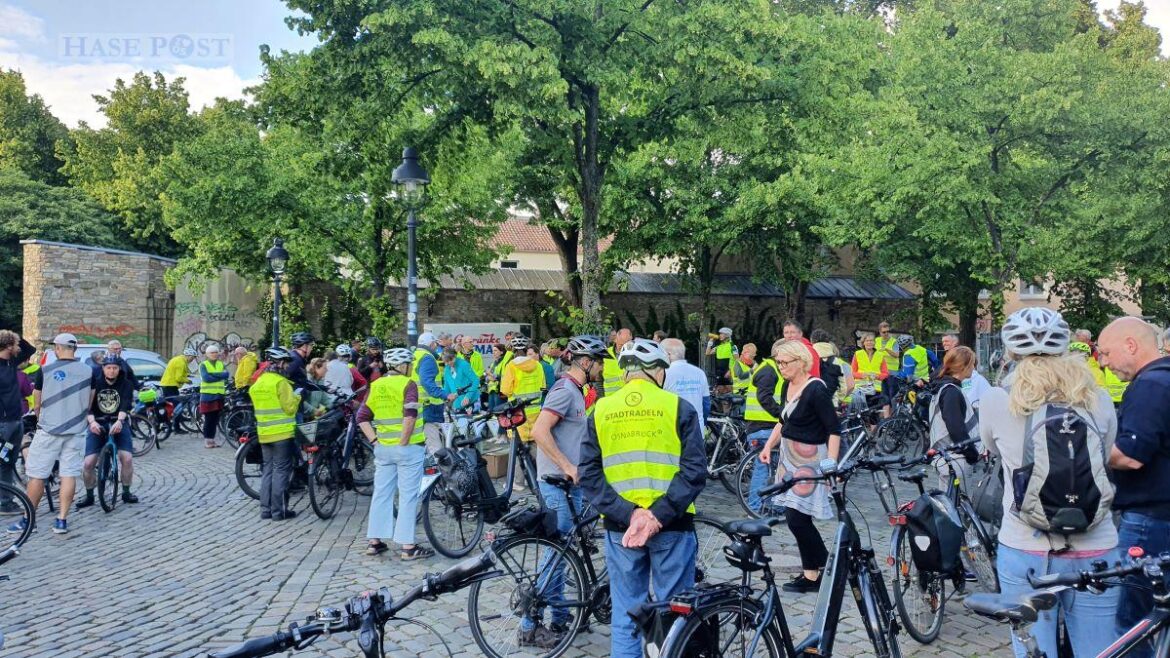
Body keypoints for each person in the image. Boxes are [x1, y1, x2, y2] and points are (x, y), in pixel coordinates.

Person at [981, 308, 1120, 657]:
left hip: (1025, 542)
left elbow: (992, 449)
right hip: (1096, 544)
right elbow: (1105, 455)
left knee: (1034, 651)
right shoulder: (1098, 399)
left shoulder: (997, 400)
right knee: (1099, 650)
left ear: (1011, 352)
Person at [579, 338, 706, 658]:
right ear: (658, 371)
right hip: (672, 524)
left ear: (626, 373)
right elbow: (694, 471)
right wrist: (655, 515)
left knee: (625, 614)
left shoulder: (601, 410)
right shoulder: (678, 407)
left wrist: (631, 513)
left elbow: (590, 476)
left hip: (621, 526)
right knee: (675, 615)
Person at [523, 335, 609, 648]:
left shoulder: (576, 391)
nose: (601, 368)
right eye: (599, 362)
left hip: (570, 485)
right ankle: (528, 625)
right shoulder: (563, 390)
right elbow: (539, 431)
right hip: (557, 484)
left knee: (563, 552)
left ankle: (558, 618)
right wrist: (567, 466)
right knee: (555, 556)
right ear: (586, 362)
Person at [1098, 316, 1170, 657]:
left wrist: (1090, 451)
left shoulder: (1151, 386)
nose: (1105, 362)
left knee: (1134, 625)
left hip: (1149, 521)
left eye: (1107, 353)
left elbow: (1130, 456)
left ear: (1131, 345)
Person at [758, 340, 841, 593]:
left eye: (785, 362)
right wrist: (768, 446)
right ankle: (812, 576)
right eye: (779, 362)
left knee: (796, 519)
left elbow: (834, 430)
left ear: (801, 361)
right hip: (789, 459)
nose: (781, 367)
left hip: (810, 461)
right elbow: (783, 420)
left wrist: (830, 466)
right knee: (797, 518)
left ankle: (828, 567)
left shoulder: (816, 390)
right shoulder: (787, 385)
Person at [5, 334, 90, 535]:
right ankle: (61, 520)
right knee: (68, 474)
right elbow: (90, 399)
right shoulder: (88, 371)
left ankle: (29, 520)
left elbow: (37, 401)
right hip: (76, 430)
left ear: (58, 348)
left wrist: (43, 419)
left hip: (50, 429)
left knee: (37, 475)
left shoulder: (47, 370)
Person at [360, 347, 434, 560]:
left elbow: (362, 417)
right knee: (408, 496)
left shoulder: (376, 385)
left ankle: (375, 542)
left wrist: (374, 440)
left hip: (383, 448)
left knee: (381, 494)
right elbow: (410, 416)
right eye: (410, 365)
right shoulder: (407, 384)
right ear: (403, 366)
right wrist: (403, 442)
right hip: (408, 448)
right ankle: (408, 547)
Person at [77, 355, 140, 508]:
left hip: (119, 421)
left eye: (115, 368)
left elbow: (125, 403)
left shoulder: (126, 384)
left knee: (127, 459)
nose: (112, 371)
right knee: (88, 463)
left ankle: (126, 492)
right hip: (97, 423)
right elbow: (87, 406)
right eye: (108, 368)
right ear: (103, 369)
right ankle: (90, 495)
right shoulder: (95, 384)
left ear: (119, 369)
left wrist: (120, 421)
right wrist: (91, 422)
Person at [249, 347, 302, 520]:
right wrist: (297, 397)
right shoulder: (281, 383)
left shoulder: (258, 383)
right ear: (279, 363)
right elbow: (290, 408)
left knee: (268, 471)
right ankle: (279, 512)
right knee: (281, 472)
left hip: (264, 433)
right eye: (286, 363)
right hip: (282, 434)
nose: (287, 366)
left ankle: (266, 510)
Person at [744, 339, 785, 514]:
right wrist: (782, 415)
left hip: (763, 426)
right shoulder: (769, 370)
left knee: (767, 467)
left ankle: (765, 505)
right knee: (763, 467)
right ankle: (756, 506)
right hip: (763, 427)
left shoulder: (771, 368)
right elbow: (764, 397)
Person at [0, 330, 36, 514]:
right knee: (2, 461)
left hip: (16, 421)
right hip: (3, 425)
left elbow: (30, 348)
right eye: (14, 345)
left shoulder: (10, 362)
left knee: (8, 462)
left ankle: (6, 501)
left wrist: (11, 336)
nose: (18, 348)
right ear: (7, 347)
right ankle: (4, 502)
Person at [927, 347, 980, 462]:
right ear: (962, 366)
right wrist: (972, 454)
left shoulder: (945, 387)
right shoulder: (951, 391)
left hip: (948, 456)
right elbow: (956, 428)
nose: (973, 368)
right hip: (955, 458)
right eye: (972, 364)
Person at [500, 335, 545, 442]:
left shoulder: (511, 366)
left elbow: (506, 390)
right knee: (536, 446)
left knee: (519, 449)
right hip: (536, 411)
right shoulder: (538, 365)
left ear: (513, 350)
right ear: (527, 350)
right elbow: (543, 387)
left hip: (518, 413)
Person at [661, 338, 710, 428]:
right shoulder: (699, 373)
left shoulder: (664, 373)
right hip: (697, 429)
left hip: (673, 429)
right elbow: (706, 404)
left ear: (667, 354)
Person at [411, 333, 447, 453]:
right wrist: (444, 395)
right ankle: (440, 468)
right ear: (431, 344)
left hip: (417, 404)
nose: (436, 347)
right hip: (430, 404)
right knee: (434, 442)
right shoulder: (427, 357)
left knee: (422, 440)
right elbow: (427, 382)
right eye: (435, 344)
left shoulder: (414, 355)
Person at [199, 344, 230, 449]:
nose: (214, 354)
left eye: (216, 352)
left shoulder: (221, 364)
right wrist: (219, 375)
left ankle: (212, 440)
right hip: (208, 396)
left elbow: (226, 375)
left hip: (219, 395)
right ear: (207, 354)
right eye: (212, 352)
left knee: (215, 419)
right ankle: (207, 440)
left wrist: (214, 375)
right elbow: (206, 378)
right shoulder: (203, 365)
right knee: (209, 419)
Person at [850, 333, 890, 416]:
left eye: (871, 340)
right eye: (867, 341)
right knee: (860, 414)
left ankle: (874, 429)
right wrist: (861, 375)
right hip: (860, 389)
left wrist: (877, 376)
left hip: (875, 389)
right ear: (863, 343)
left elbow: (886, 373)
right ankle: (862, 428)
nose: (869, 342)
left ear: (874, 342)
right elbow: (852, 373)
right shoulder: (857, 354)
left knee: (874, 415)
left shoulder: (880, 355)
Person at [811, 329, 853, 406]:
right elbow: (843, 386)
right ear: (828, 341)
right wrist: (837, 399)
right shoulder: (837, 361)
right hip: (832, 404)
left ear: (812, 341)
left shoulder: (808, 359)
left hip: (812, 404)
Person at [441, 347, 479, 411]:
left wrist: (468, 396)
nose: (449, 363)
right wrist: (446, 398)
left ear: (455, 356)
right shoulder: (447, 369)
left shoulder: (463, 365)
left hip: (471, 402)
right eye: (446, 361)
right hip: (457, 405)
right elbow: (446, 386)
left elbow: (475, 381)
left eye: (451, 360)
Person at [601, 328, 632, 397]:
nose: (623, 348)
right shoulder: (605, 354)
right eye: (621, 345)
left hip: (628, 400)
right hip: (609, 400)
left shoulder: (635, 356)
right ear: (615, 340)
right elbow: (598, 380)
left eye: (625, 345)